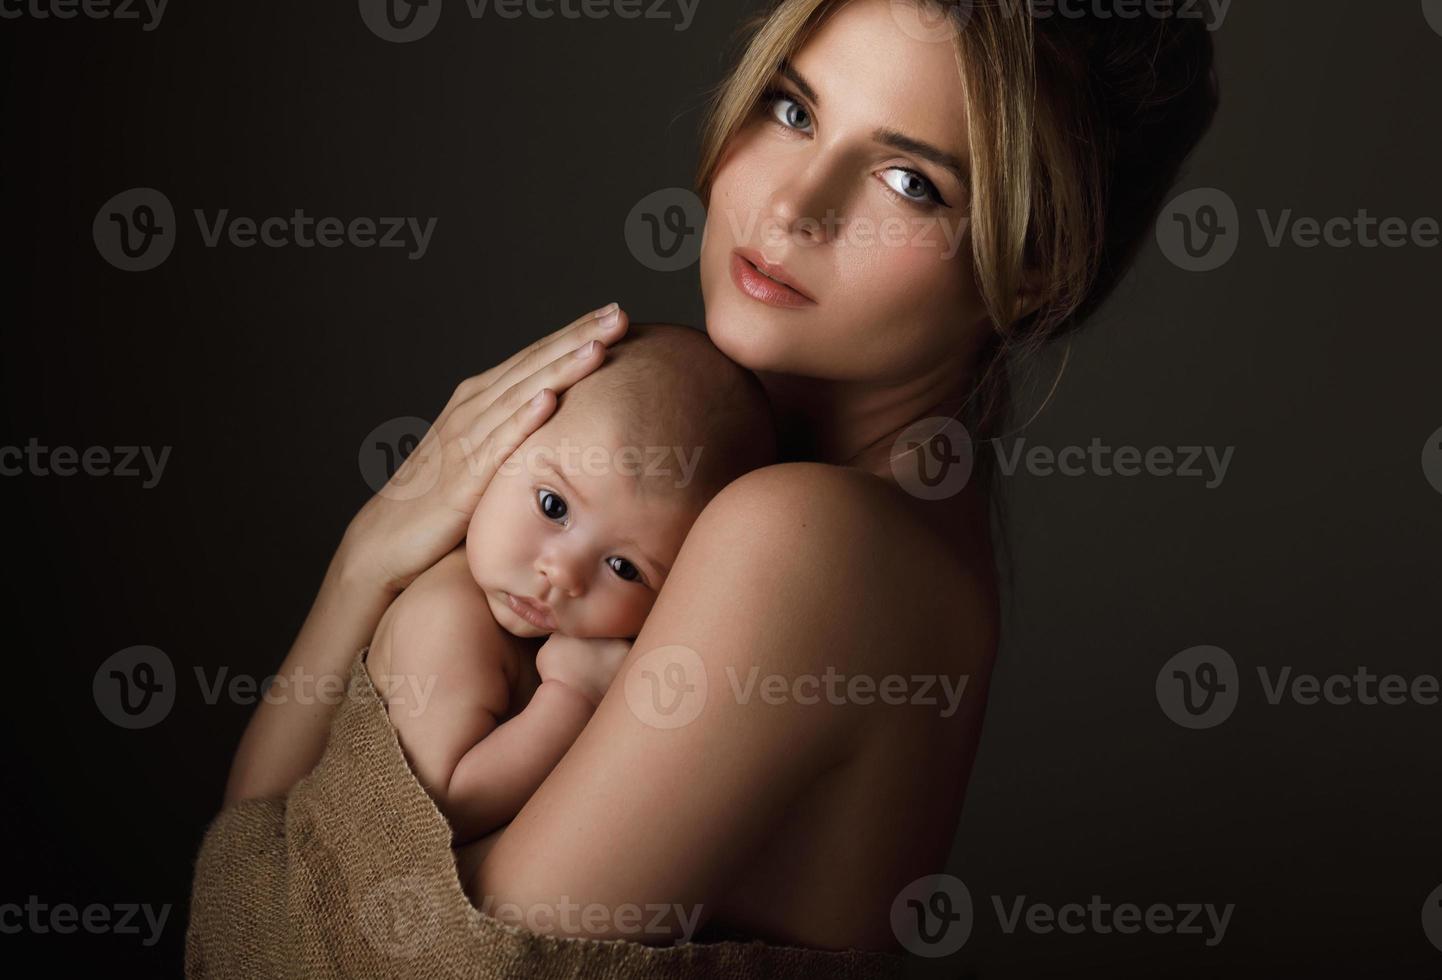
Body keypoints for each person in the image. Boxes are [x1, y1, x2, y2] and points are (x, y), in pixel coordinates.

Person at [211, 0, 1219, 958]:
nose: (792, 206)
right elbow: (248, 905)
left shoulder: (810, 538)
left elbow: (289, 938)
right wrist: (372, 551)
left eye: (911, 182)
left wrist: (371, 578)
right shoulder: (763, 484)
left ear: (1039, 265)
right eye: (792, 109)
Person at [362, 323, 776, 849]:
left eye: (625, 569)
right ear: (500, 453)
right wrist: (572, 703)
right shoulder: (447, 615)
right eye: (553, 506)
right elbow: (435, 809)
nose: (563, 574)